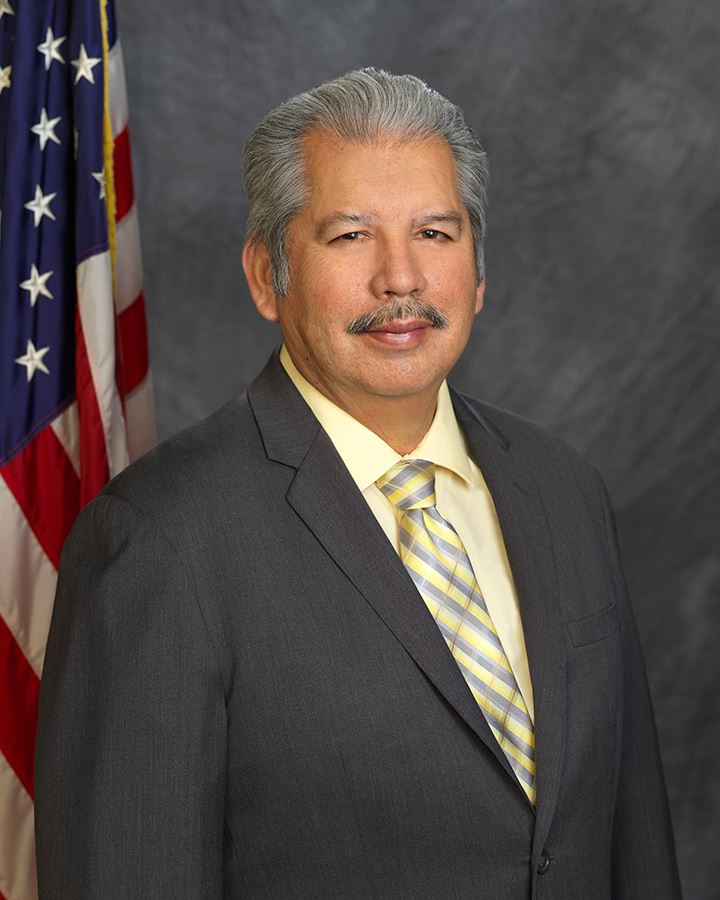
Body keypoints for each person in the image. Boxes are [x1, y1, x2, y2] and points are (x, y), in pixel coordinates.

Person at [35, 68, 682, 899]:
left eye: (436, 234)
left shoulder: (564, 489)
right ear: (267, 277)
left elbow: (636, 850)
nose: (401, 279)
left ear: (478, 272)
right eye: (349, 236)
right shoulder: (158, 541)